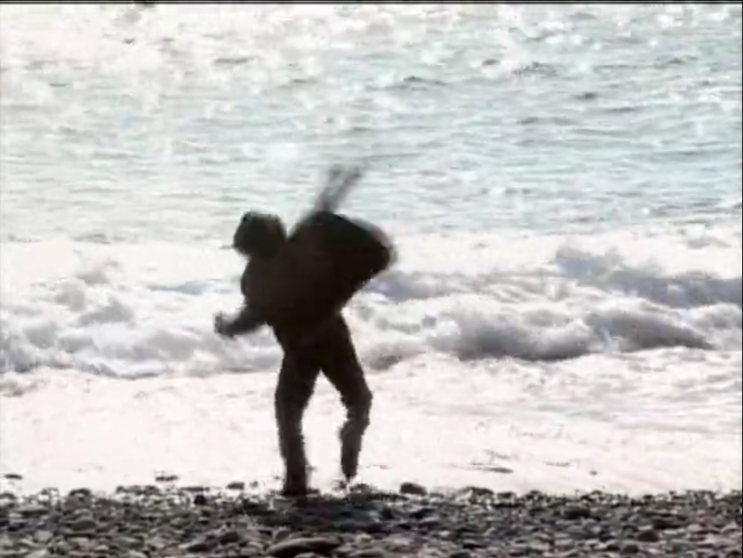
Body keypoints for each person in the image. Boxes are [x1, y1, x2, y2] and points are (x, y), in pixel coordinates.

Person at [214, 174, 394, 496]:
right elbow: (318, 221)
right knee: (358, 400)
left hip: (300, 348)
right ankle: (350, 442)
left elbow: (252, 317)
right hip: (331, 336)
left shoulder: (257, 278)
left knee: (288, 413)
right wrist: (335, 190)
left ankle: (296, 479)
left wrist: (227, 327)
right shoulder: (303, 251)